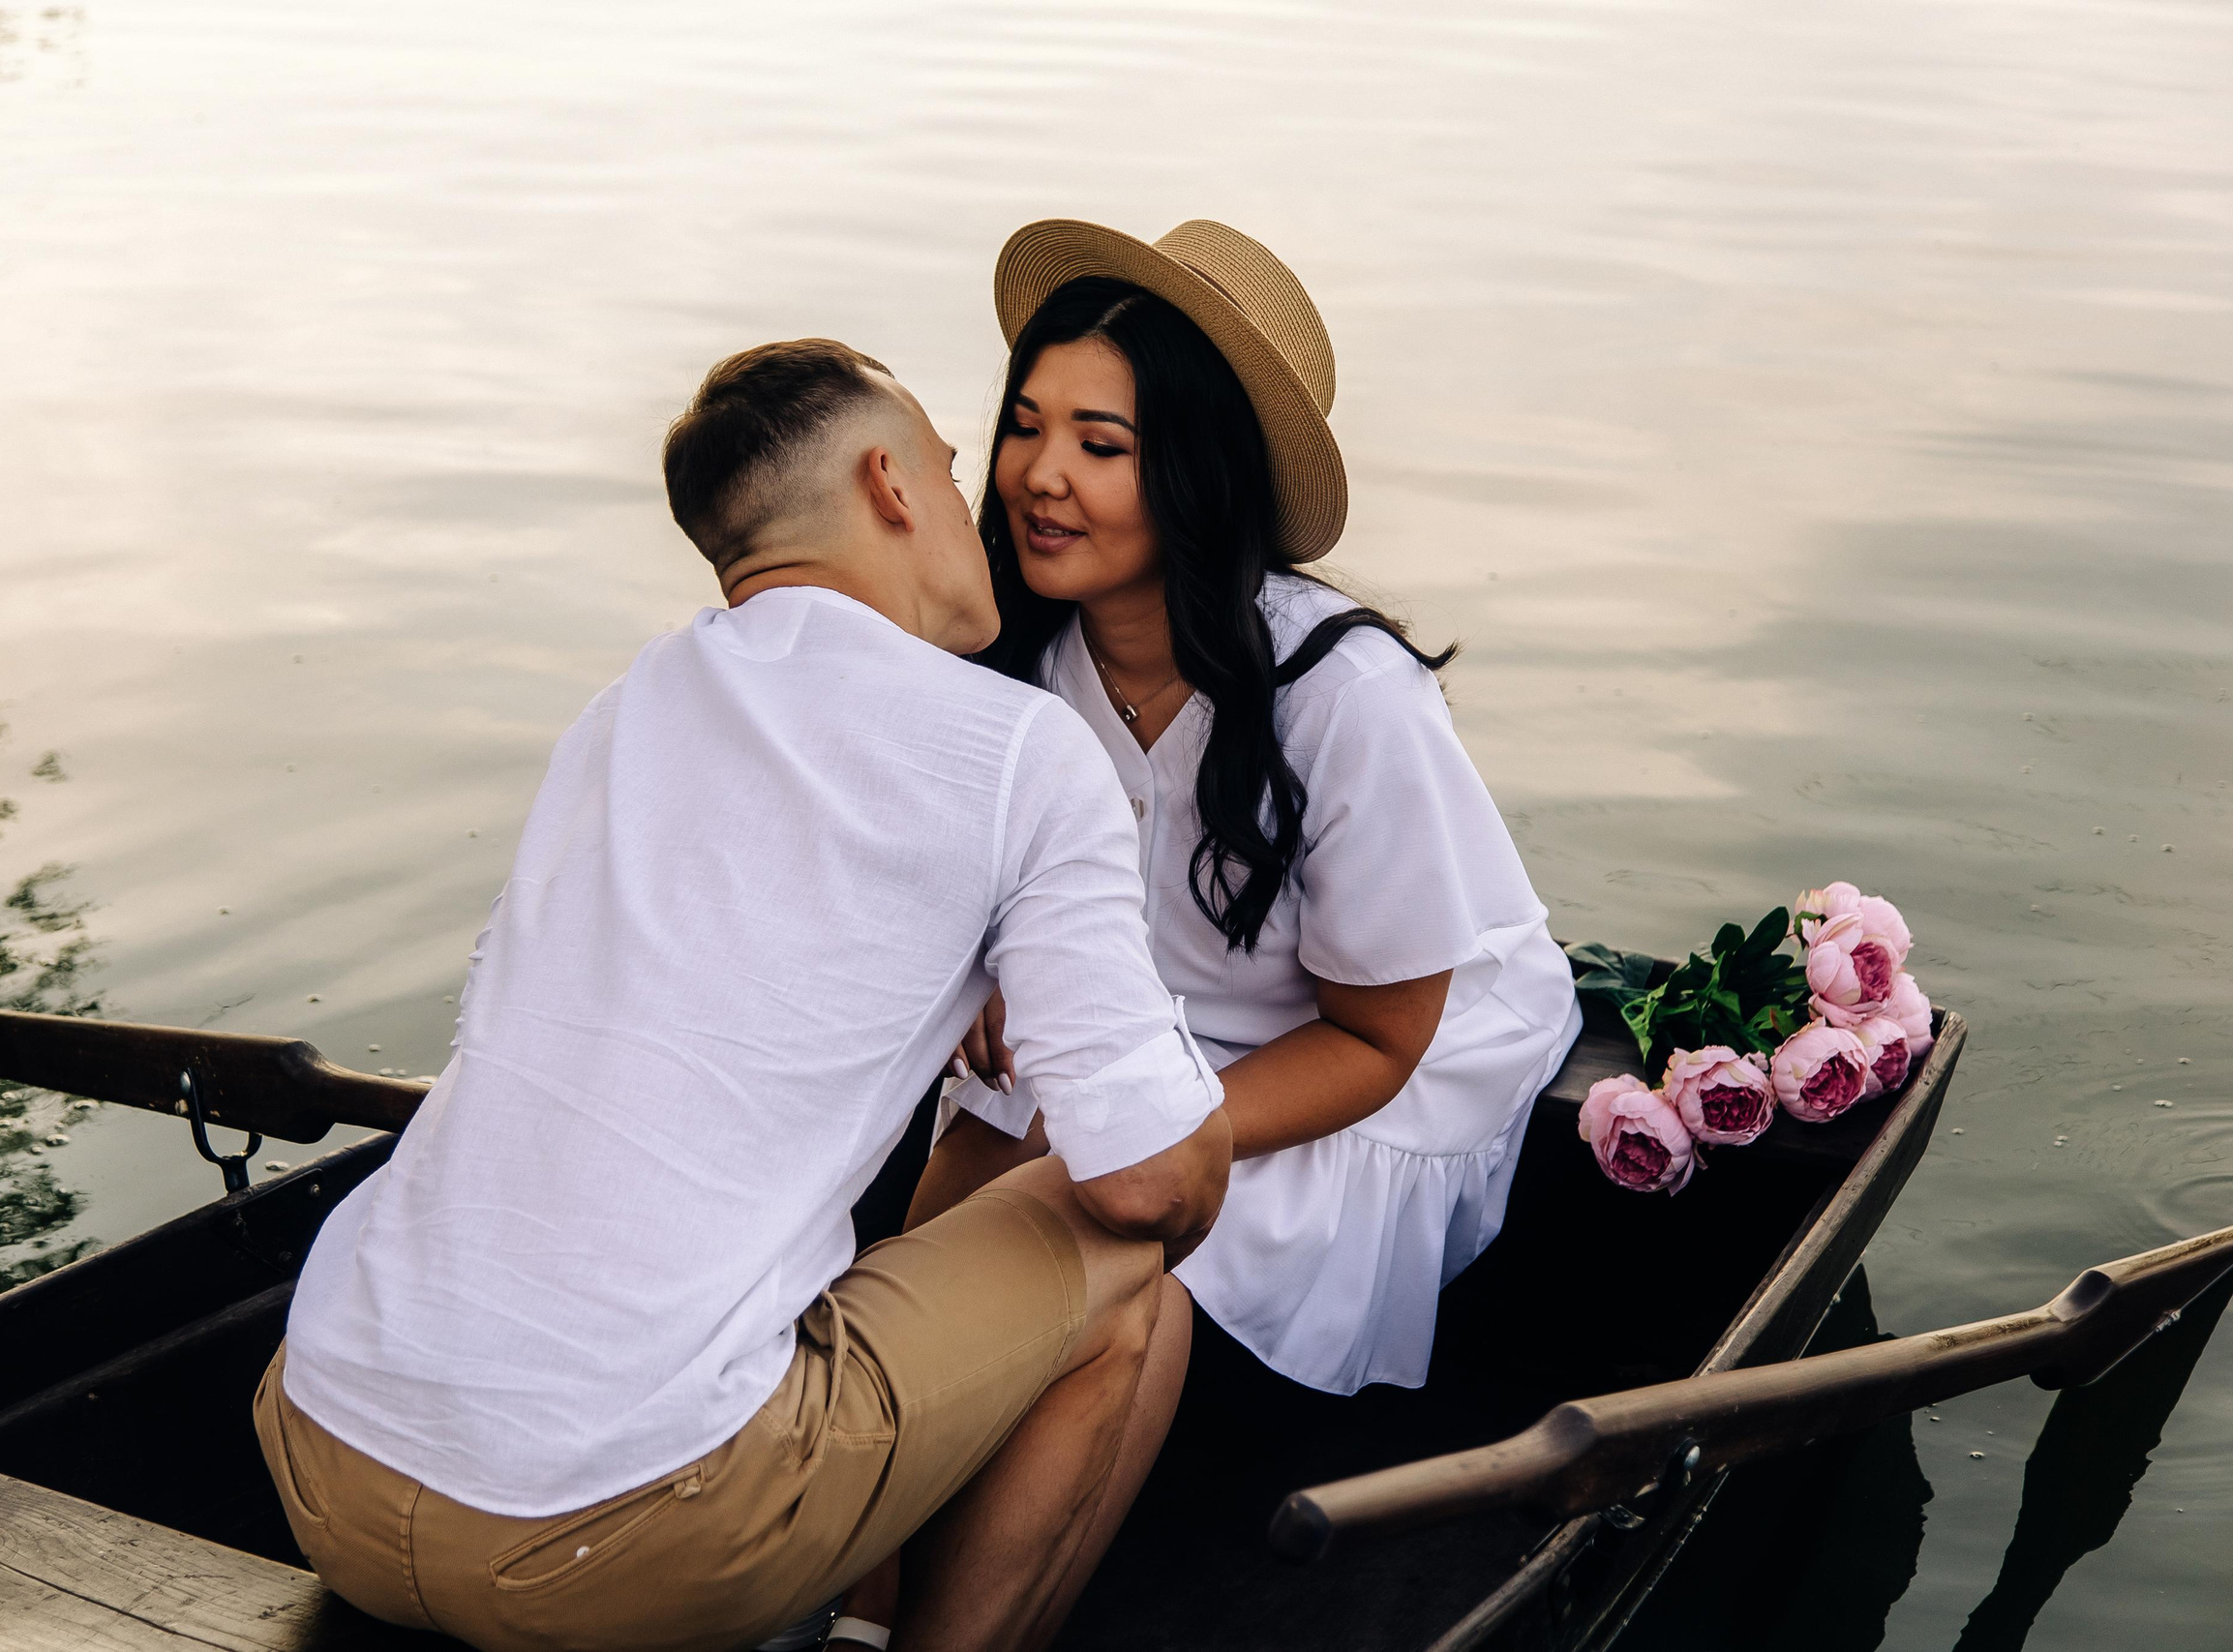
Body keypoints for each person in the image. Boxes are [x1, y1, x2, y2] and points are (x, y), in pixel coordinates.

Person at [256, 338, 1233, 1652]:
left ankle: (837, 1602)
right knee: (1136, 1280)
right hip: (617, 1539)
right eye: (953, 471)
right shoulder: (1016, 750)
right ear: (890, 486)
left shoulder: (621, 710)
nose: (980, 507)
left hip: (322, 1454)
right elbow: (1149, 1181)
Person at [910, 220, 1583, 1566]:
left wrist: (1145, 1126)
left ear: (1202, 474)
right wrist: (981, 966)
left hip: (1347, 1057)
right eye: (1026, 427)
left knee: (1124, 1256)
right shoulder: (1014, 656)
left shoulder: (1346, 698)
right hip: (1129, 1017)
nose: (1040, 477)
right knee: (929, 1238)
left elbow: (1383, 1039)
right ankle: (856, 1593)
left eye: (1103, 447)